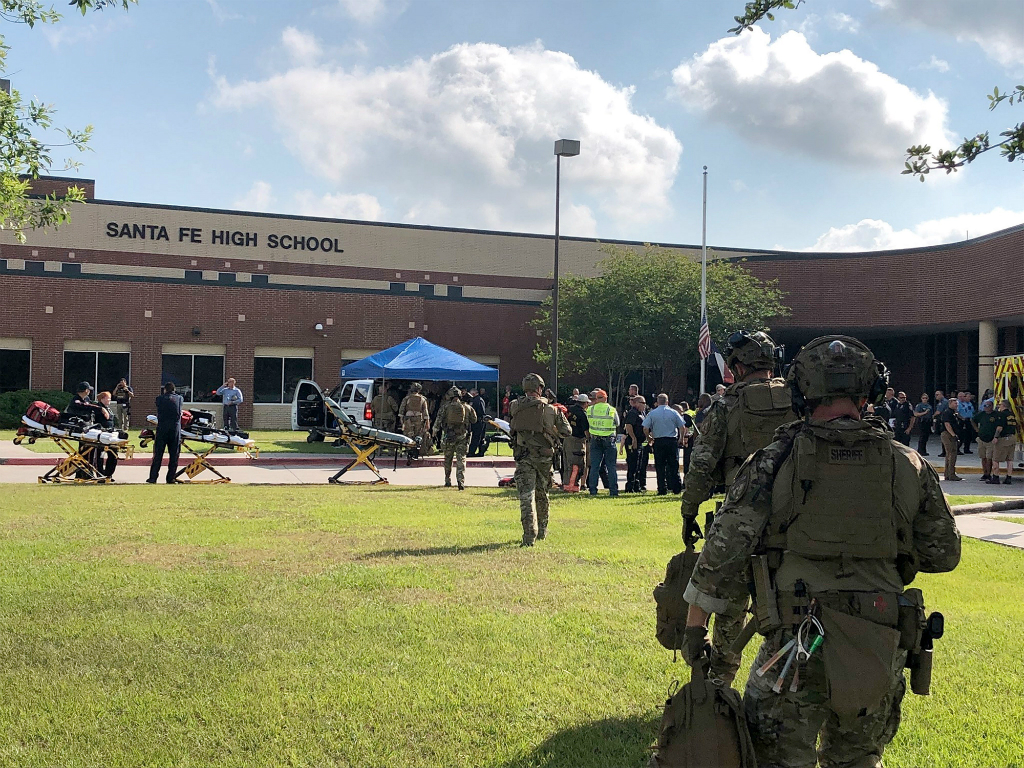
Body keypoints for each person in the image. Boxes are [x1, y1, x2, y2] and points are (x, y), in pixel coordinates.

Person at [681, 335, 961, 768]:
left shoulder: (774, 460)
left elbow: (722, 552)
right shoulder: (908, 463)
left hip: (795, 644)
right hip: (878, 640)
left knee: (776, 757)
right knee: (857, 759)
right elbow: (943, 554)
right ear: (870, 392)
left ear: (801, 391)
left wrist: (694, 630)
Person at [679, 330, 795, 685]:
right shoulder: (798, 400)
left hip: (741, 513)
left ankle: (719, 682)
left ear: (738, 366)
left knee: (730, 602)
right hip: (795, 516)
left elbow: (702, 464)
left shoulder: (727, 405)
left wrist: (689, 510)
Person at [509, 373, 570, 546]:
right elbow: (567, 431)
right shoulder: (551, 410)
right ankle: (542, 530)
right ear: (540, 388)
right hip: (544, 457)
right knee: (542, 494)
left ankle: (529, 535)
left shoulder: (515, 405)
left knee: (526, 496)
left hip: (524, 456)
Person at [642, 393, 686, 495]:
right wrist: (681, 438)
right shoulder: (673, 412)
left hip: (659, 441)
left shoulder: (652, 413)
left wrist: (649, 437)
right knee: (673, 465)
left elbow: (645, 428)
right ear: (667, 402)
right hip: (671, 441)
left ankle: (662, 488)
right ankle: (676, 488)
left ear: (657, 402)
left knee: (660, 466)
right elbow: (682, 427)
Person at [434, 386, 476, 490]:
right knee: (461, 459)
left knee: (448, 459)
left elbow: (438, 420)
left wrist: (435, 431)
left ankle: (447, 479)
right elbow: (474, 420)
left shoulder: (445, 407)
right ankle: (460, 481)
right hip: (462, 436)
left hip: (449, 436)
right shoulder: (467, 407)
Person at [147, 382, 183, 484]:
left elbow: (159, 406)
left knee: (158, 454)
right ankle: (170, 478)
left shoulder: (159, 399)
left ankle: (153, 478)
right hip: (175, 429)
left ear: (165, 390)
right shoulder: (180, 398)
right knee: (174, 455)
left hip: (162, 428)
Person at [585, 388, 619, 496]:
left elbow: (588, 422)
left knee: (594, 466)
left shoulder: (590, 409)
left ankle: (593, 490)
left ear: (596, 398)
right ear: (605, 398)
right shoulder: (611, 409)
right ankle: (613, 491)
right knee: (611, 466)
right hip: (609, 440)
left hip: (595, 440)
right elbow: (617, 423)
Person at [562, 393, 590, 492]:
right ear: (585, 403)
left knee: (567, 463)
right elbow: (586, 430)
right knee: (576, 464)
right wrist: (588, 439)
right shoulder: (582, 414)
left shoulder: (569, 409)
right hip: (577, 441)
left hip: (567, 439)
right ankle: (572, 486)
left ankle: (566, 484)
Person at [399, 383, 431, 461]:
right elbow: (425, 411)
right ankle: (415, 453)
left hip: (408, 420)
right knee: (418, 436)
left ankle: (409, 452)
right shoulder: (423, 399)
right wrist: (427, 422)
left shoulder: (406, 399)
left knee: (409, 436)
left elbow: (401, 411)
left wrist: (402, 422)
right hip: (419, 419)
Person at [623, 395, 648, 493]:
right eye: (643, 403)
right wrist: (633, 438)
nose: (644, 405)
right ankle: (630, 486)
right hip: (633, 442)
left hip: (640, 442)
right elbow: (628, 425)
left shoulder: (642, 413)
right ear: (637, 403)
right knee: (633, 464)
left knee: (639, 465)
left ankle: (636, 486)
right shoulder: (632, 413)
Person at [990, 399, 1018, 484]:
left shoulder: (1001, 415)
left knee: (995, 459)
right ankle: (1008, 478)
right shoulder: (1012, 415)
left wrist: (995, 437)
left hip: (1004, 439)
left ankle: (996, 477)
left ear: (1004, 406)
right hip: (1012, 438)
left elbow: (999, 427)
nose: (999, 406)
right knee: (1010, 459)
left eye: (1000, 405)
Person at [938, 392, 962, 481]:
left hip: (951, 434)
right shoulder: (947, 412)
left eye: (957, 403)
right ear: (950, 403)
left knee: (950, 454)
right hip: (948, 434)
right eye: (955, 403)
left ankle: (947, 474)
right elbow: (947, 424)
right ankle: (951, 474)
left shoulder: (953, 412)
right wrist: (953, 435)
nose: (957, 405)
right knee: (952, 454)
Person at [973, 399, 998, 481]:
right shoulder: (981, 414)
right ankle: (985, 473)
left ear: (992, 406)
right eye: (985, 406)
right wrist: (976, 429)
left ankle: (988, 474)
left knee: (989, 458)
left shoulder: (996, 415)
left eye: (988, 406)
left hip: (991, 440)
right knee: (983, 457)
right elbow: (972, 420)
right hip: (981, 439)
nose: (986, 407)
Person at [468, 388, 487, 457]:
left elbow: (480, 412)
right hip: (477, 421)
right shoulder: (477, 400)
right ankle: (480, 452)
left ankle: (472, 452)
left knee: (476, 437)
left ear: (473, 393)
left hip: (478, 421)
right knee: (478, 437)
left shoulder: (478, 400)